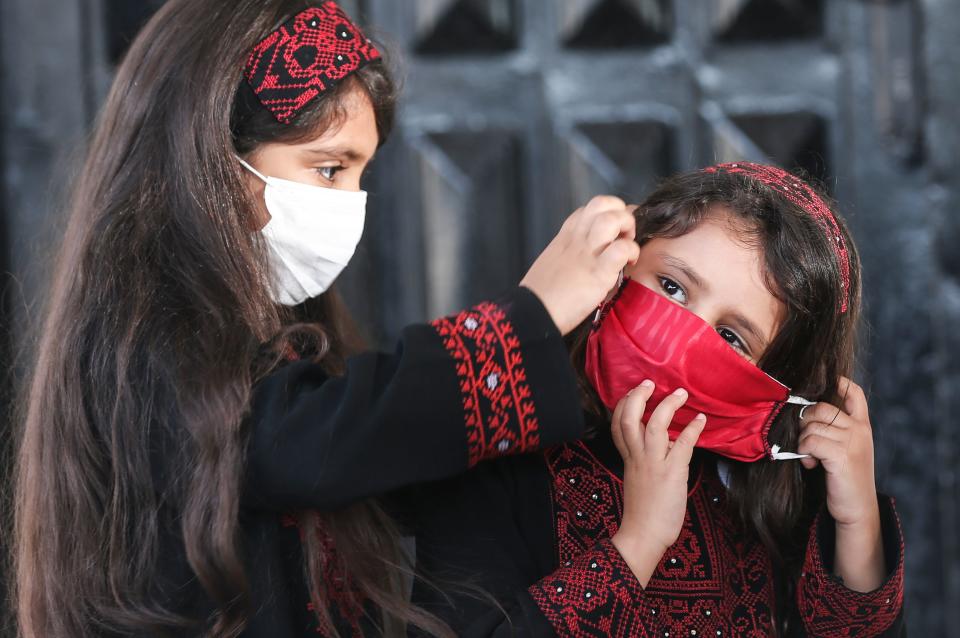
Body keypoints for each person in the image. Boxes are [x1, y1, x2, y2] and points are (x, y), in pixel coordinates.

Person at [10, 1, 641, 636]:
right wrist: (528, 319)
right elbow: (299, 441)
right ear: (210, 156)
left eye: (359, 174)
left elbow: (392, 471)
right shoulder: (141, 337)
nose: (350, 206)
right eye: (329, 168)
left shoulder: (285, 337)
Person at [408, 163, 906, 637]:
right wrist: (638, 543)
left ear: (773, 383)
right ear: (622, 262)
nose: (682, 339)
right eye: (672, 287)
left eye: (731, 338)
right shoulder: (493, 451)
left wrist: (857, 517)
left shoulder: (770, 491)